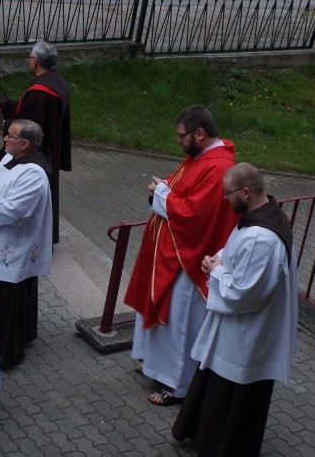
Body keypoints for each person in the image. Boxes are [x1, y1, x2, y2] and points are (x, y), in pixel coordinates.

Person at [172, 163, 298, 457]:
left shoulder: (262, 238)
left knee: (230, 395)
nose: (224, 199)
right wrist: (217, 260)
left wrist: (216, 272)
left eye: (227, 194)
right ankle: (202, 436)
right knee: (216, 385)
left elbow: (246, 293)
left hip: (246, 335)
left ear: (246, 191)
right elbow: (237, 254)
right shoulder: (260, 217)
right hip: (238, 331)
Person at [124, 105, 238, 406]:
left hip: (189, 260)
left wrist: (162, 194)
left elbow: (195, 215)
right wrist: (161, 189)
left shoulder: (218, 167)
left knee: (179, 322)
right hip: (170, 251)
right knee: (164, 314)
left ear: (200, 133)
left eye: (181, 135)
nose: (178, 141)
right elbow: (181, 192)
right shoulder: (199, 158)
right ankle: (152, 363)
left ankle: (178, 385)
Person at [0, 119, 52, 370]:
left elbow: (13, 210)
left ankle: (7, 352)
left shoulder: (35, 174)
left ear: (26, 143)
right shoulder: (11, 158)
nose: (5, 139)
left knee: (5, 302)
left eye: (10, 136)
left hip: (14, 246)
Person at [0, 41, 70, 243]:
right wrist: (7, 105)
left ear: (34, 62)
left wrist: (8, 122)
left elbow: (28, 121)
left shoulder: (40, 91)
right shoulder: (57, 82)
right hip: (51, 146)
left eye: (29, 58)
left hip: (37, 155)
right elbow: (34, 109)